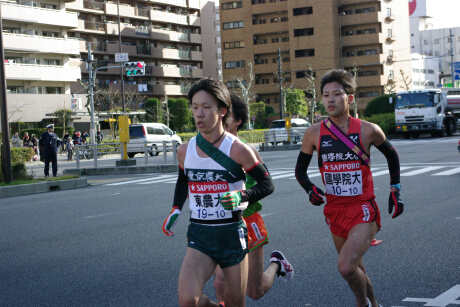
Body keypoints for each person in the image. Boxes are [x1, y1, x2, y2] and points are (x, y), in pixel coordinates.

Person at [295, 69, 404, 307]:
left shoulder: (368, 130)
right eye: (325, 95)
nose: (330, 100)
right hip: (335, 211)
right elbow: (300, 171)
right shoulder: (314, 133)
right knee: (356, 268)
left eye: (337, 94)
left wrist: (395, 189)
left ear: (350, 98)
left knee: (346, 266)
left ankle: (361, 304)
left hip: (363, 208)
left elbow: (392, 155)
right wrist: (309, 188)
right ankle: (373, 303)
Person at [162, 78, 275, 307]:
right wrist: (176, 208)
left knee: (236, 303)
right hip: (200, 234)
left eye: (206, 107)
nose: (199, 114)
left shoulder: (239, 150)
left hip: (232, 234)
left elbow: (267, 184)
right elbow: (183, 180)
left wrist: (241, 197)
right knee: (187, 300)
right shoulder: (185, 150)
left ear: (222, 110)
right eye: (194, 107)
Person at [213, 94, 293, 303]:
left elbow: (267, 185)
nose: (220, 118)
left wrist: (242, 197)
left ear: (238, 120)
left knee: (255, 292)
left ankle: (277, 264)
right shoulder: (206, 150)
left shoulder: (247, 151)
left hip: (248, 221)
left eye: (226, 115)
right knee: (220, 282)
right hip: (221, 224)